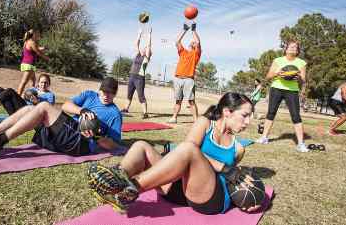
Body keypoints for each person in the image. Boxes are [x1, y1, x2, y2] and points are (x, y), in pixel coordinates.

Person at [88, 92, 257, 214]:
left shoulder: (238, 148)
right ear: (227, 112)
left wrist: (248, 198)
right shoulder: (205, 123)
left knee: (188, 149)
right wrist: (224, 167)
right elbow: (190, 151)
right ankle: (117, 177)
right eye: (245, 115)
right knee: (141, 145)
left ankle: (128, 190)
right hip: (180, 189)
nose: (248, 122)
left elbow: (232, 180)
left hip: (210, 197)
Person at [0, 77, 123, 157]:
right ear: (99, 89)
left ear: (115, 94)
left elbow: (114, 145)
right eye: (105, 91)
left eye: (111, 92)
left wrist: (98, 135)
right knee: (31, 108)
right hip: (67, 132)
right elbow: (65, 106)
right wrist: (81, 110)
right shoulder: (89, 95)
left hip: (82, 144)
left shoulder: (114, 114)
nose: (107, 95)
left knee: (43, 106)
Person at [256, 40, 309, 152]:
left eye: (295, 47)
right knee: (271, 113)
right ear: (286, 49)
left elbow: (303, 80)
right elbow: (269, 76)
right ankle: (264, 137)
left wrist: (298, 77)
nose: (293, 48)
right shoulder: (278, 60)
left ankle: (300, 143)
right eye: (291, 47)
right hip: (276, 88)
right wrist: (277, 73)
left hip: (292, 90)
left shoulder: (301, 63)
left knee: (296, 116)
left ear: (298, 50)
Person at [168, 22, 201, 124]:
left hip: (188, 79)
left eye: (194, 42)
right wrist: (184, 30)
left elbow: (198, 42)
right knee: (178, 100)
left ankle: (196, 120)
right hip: (178, 78)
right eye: (192, 42)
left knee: (191, 101)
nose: (193, 42)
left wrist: (193, 30)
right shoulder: (183, 52)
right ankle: (174, 117)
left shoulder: (196, 54)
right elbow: (177, 41)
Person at [121, 27, 152, 119]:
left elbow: (149, 45)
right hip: (131, 76)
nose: (144, 49)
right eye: (143, 48)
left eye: (145, 49)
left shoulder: (146, 58)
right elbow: (136, 44)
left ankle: (145, 113)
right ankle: (126, 109)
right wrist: (139, 34)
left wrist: (149, 34)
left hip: (139, 78)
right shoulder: (137, 55)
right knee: (129, 94)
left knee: (141, 96)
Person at [17, 29, 50, 97]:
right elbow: (38, 52)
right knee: (24, 82)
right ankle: (18, 96)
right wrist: (47, 58)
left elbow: (35, 48)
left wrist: (43, 48)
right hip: (28, 64)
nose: (38, 36)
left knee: (33, 81)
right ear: (33, 35)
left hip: (27, 63)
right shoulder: (32, 42)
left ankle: (29, 95)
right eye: (37, 34)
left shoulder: (27, 41)